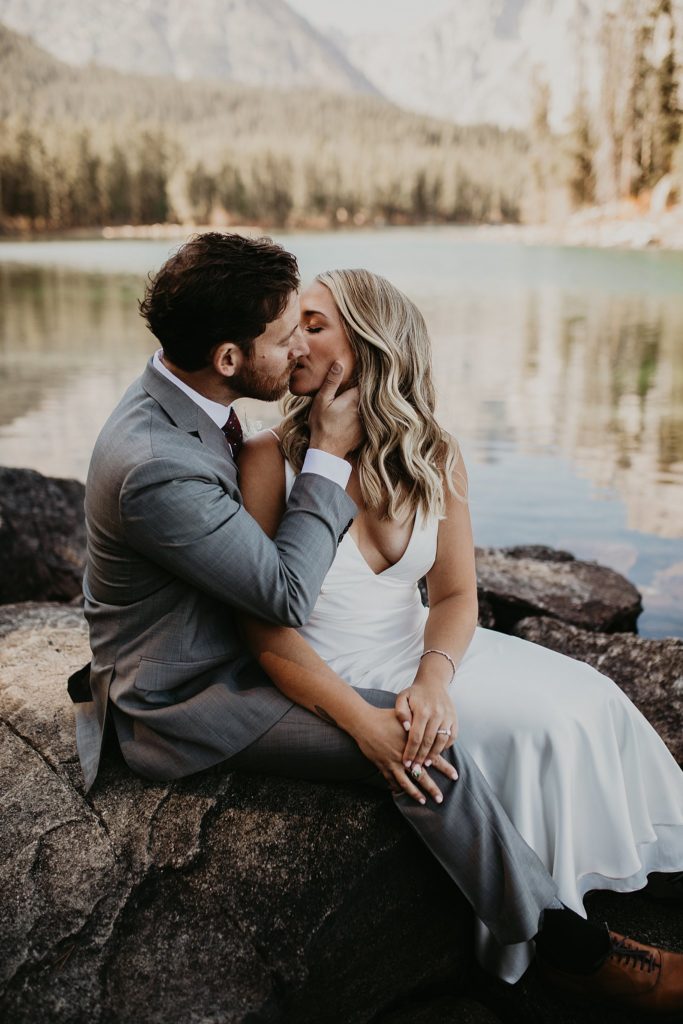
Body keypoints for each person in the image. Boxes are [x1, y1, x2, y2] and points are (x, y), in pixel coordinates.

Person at [235, 267, 683, 1015]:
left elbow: (453, 596)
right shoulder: (265, 459)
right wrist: (367, 716)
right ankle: (557, 947)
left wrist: (435, 674)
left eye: (314, 324)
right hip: (333, 668)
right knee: (520, 729)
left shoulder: (432, 453)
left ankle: (597, 888)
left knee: (589, 698)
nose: (290, 341)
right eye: (289, 325)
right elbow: (265, 630)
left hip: (418, 647)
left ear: (369, 343)